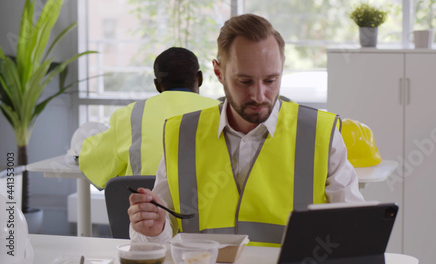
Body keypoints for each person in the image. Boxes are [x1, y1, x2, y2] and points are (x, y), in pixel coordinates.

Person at [128, 14, 364, 247]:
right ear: (219, 73)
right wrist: (154, 229)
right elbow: (158, 233)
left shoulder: (320, 134)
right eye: (245, 81)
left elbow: (355, 231)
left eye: (271, 81)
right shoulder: (182, 134)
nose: (259, 96)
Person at [79, 47, 220, 189]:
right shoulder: (222, 112)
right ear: (200, 78)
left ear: (157, 85)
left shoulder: (129, 115)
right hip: (206, 208)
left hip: (145, 207)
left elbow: (92, 163)